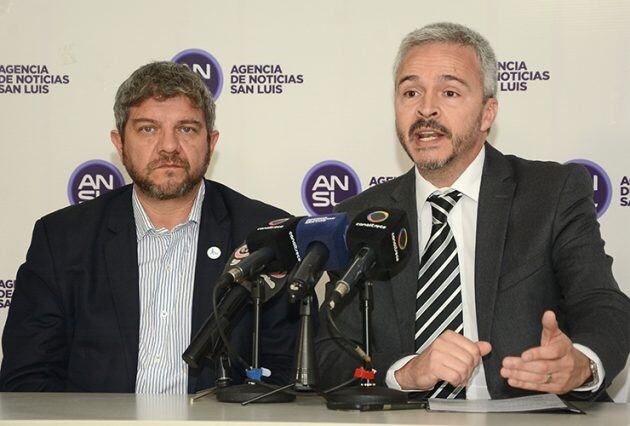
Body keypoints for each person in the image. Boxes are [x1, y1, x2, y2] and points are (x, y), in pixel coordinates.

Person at [316, 22, 629, 400]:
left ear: (486, 113)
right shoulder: (359, 216)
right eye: (410, 92)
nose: (426, 108)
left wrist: (581, 363)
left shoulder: (550, 193)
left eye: (449, 92)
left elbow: (602, 304)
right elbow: (330, 353)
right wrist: (405, 372)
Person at [0, 61, 300, 393]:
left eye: (187, 129)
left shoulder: (264, 235)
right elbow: (27, 379)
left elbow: (285, 374)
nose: (169, 147)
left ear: (211, 142)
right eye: (148, 129)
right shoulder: (62, 240)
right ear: (119, 143)